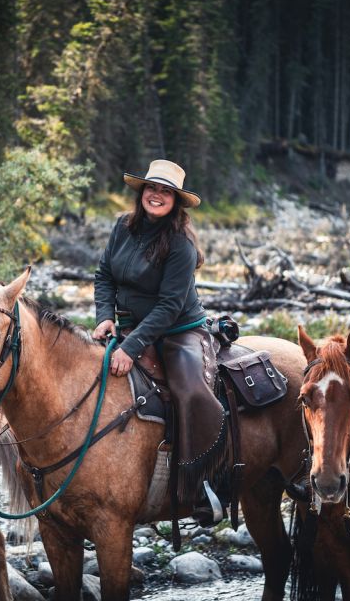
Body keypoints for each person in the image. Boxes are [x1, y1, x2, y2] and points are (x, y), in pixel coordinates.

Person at [93, 159, 226, 526]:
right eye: (153, 188)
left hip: (179, 330)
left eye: (166, 191)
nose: (157, 195)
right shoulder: (123, 227)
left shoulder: (181, 245)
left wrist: (130, 348)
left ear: (175, 201)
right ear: (142, 192)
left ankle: (200, 483)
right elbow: (104, 274)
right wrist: (105, 316)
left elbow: (169, 307)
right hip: (127, 325)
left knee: (190, 391)